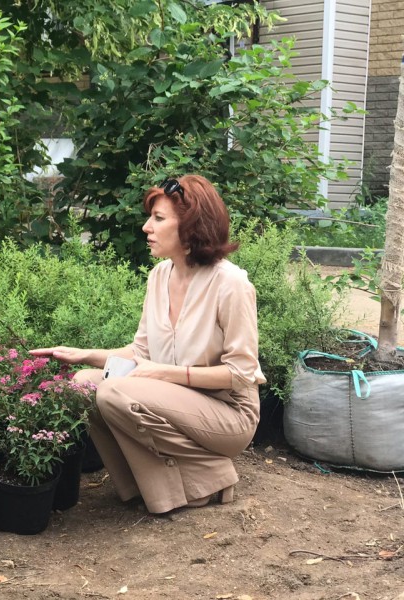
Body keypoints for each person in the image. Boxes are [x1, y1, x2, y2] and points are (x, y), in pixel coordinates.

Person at [31, 174, 265, 514]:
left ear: (191, 226)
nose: (146, 227)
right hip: (174, 397)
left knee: (115, 391)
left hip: (228, 413)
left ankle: (208, 475)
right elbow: (141, 352)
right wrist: (84, 355)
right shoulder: (159, 276)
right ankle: (141, 486)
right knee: (83, 385)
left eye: (158, 218)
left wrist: (165, 374)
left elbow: (241, 374)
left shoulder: (231, 284)